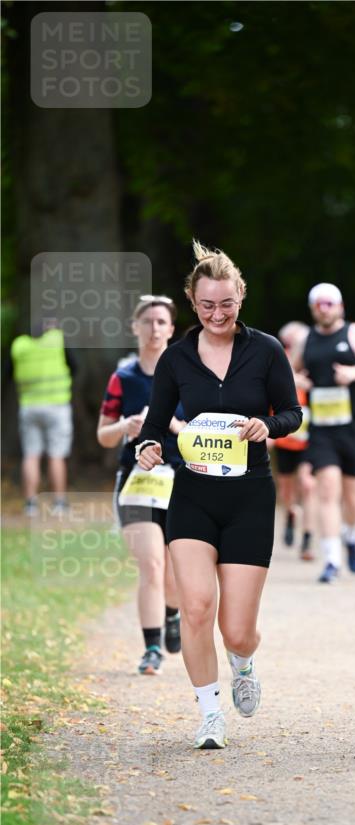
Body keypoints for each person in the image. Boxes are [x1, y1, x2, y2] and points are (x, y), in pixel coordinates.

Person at [136, 241, 301, 750]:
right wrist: (151, 447)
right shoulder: (177, 358)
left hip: (250, 497)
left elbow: (293, 414)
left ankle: (243, 662)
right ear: (192, 300)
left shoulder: (266, 350)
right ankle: (209, 714)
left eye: (226, 304)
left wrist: (265, 425)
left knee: (236, 630)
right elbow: (156, 426)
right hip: (193, 497)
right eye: (207, 304)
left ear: (240, 298)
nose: (217, 313)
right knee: (197, 608)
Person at [97, 295, 184, 675]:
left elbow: (202, 432)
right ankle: (151, 649)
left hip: (180, 479)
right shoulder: (123, 377)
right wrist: (126, 426)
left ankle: (172, 611)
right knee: (150, 563)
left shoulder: (187, 374)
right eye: (147, 321)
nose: (154, 328)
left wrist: (171, 425)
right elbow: (102, 434)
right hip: (136, 481)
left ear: (171, 329)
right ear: (135, 327)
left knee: (174, 571)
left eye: (161, 322)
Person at [294, 282, 355, 583]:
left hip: (354, 427)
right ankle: (331, 560)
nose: (325, 308)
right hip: (322, 430)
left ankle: (351, 536)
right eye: (319, 304)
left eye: (330, 303)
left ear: (340, 306)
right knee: (327, 491)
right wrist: (298, 382)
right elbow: (289, 371)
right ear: (313, 308)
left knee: (353, 497)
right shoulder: (307, 340)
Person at [9, 323, 77, 515]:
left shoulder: (19, 346)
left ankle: (30, 503)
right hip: (57, 406)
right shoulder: (57, 340)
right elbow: (75, 367)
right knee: (56, 455)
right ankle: (59, 503)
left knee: (31, 455)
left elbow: (8, 374)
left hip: (29, 406)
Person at [273, 321, 317, 561]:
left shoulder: (314, 363)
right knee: (287, 490)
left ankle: (308, 540)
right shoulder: (280, 364)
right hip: (286, 439)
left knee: (308, 486)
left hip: (310, 440)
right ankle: (290, 513)